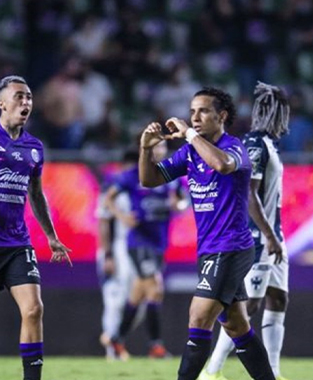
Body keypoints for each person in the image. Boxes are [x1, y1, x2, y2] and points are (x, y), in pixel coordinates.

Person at [138, 87, 276, 380]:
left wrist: (189, 134)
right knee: (237, 327)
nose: (195, 117)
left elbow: (222, 165)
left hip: (232, 247)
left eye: (203, 111)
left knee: (199, 316)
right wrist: (146, 148)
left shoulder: (234, 146)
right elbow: (149, 180)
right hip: (209, 249)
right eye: (192, 112)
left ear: (221, 116)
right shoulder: (190, 153)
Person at [0, 75, 72, 380]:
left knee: (33, 309)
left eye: (29, 97)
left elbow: (36, 194)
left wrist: (51, 236)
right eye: (19, 96)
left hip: (18, 243)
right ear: (1, 103)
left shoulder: (34, 147)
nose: (26, 102)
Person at [201, 82, 291, 380]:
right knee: (248, 305)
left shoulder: (270, 144)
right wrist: (268, 235)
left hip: (273, 235)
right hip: (257, 236)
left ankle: (274, 372)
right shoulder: (255, 143)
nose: (284, 121)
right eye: (282, 114)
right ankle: (211, 371)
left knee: (277, 298)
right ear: (273, 114)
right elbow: (249, 194)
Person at [103, 145, 187, 359]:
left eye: (162, 145)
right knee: (155, 287)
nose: (159, 149)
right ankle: (156, 346)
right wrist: (122, 217)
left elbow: (182, 200)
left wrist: (178, 205)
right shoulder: (133, 175)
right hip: (138, 241)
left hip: (159, 242)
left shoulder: (171, 174)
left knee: (138, 294)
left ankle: (116, 340)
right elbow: (108, 199)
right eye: (155, 145)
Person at [95, 177, 136, 361]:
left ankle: (114, 338)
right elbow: (104, 222)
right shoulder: (114, 189)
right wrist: (108, 255)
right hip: (118, 251)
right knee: (115, 301)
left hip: (138, 249)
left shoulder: (145, 188)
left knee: (138, 301)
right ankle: (113, 350)